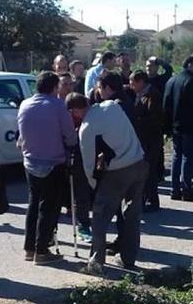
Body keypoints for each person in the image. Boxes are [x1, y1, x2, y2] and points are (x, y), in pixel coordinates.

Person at [78, 90, 148, 275]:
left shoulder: (87, 127)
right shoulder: (112, 106)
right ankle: (128, 258)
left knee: (100, 217)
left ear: (75, 111)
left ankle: (96, 263)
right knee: (132, 215)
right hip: (139, 162)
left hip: (118, 172)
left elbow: (88, 163)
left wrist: (93, 183)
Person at [17, 72, 78, 265]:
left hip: (30, 161)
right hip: (53, 162)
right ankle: (42, 251)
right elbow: (69, 135)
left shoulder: (25, 104)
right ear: (54, 87)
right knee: (49, 207)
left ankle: (29, 248)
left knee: (34, 204)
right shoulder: (58, 106)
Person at [163, 54, 193, 202]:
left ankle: (175, 189)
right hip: (191, 126)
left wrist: (168, 125)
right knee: (188, 158)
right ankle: (186, 190)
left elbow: (166, 105)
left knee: (177, 157)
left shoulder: (172, 80)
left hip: (176, 125)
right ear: (189, 65)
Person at [128, 70, 164, 212]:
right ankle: (145, 199)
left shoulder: (152, 96)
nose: (130, 86)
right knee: (144, 171)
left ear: (140, 82)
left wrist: (135, 120)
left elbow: (153, 120)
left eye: (132, 83)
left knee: (148, 172)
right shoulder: (139, 95)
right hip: (144, 139)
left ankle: (152, 201)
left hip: (150, 140)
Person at [66, 93, 95, 242]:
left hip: (86, 157)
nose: (85, 112)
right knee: (75, 193)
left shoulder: (89, 112)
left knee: (84, 192)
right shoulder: (65, 117)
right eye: (81, 110)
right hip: (69, 157)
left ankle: (84, 224)